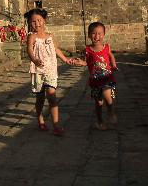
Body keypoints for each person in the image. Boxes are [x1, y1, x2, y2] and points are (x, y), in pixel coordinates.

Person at [25, 8, 85, 136]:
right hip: (38, 71)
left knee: (52, 96)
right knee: (40, 98)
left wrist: (66, 59)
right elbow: (29, 50)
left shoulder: (50, 36)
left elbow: (56, 49)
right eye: (33, 21)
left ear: (44, 20)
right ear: (30, 23)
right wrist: (35, 60)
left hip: (51, 70)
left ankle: (56, 124)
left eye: (39, 20)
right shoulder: (32, 36)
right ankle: (40, 118)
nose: (37, 24)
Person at [85, 21, 118, 129]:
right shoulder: (88, 50)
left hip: (107, 77)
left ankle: (111, 112)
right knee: (98, 103)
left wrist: (113, 65)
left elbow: (111, 56)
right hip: (95, 80)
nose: (97, 36)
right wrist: (79, 62)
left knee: (107, 96)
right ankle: (100, 122)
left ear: (103, 34)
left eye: (99, 33)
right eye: (94, 33)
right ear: (89, 35)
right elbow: (85, 61)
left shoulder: (106, 47)